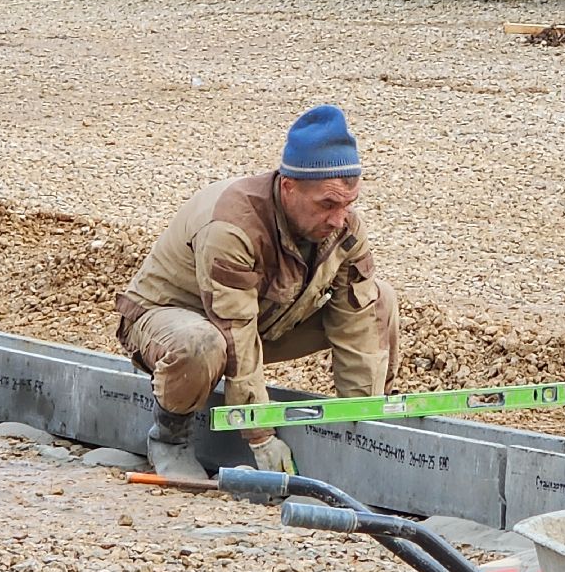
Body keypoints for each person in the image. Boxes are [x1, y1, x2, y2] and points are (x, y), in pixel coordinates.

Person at [116, 105, 400, 479]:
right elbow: (235, 334)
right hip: (171, 322)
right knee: (202, 343)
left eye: (348, 204)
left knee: (379, 299)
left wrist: (362, 427)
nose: (338, 219)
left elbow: (357, 323)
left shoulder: (342, 228)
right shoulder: (232, 227)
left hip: (262, 321)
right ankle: (170, 437)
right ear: (288, 187)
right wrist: (261, 437)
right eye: (326, 204)